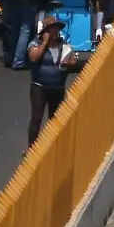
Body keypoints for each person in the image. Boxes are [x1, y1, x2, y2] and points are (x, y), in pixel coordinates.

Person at [27, 16, 75, 146]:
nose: (56, 32)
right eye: (53, 29)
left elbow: (73, 60)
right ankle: (32, 146)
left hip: (57, 87)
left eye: (57, 29)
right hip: (40, 86)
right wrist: (44, 43)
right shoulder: (35, 43)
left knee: (55, 119)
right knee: (37, 117)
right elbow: (34, 58)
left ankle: (52, 145)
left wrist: (69, 62)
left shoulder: (63, 44)